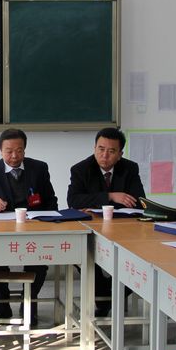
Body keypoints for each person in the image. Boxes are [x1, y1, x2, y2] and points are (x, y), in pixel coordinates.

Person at [0, 129, 57, 325]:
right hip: (1, 231)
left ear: (24, 150)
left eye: (19, 151)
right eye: (9, 151)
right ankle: (1, 302)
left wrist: (45, 220)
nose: (14, 156)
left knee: (39, 261)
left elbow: (51, 200)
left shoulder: (39, 168)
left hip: (33, 228)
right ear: (0, 150)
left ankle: (29, 301)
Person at [66, 127, 146, 317]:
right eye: (101, 149)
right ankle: (107, 297)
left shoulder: (130, 168)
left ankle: (106, 299)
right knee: (84, 257)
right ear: (94, 148)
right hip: (91, 229)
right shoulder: (81, 169)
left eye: (111, 151)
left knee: (137, 264)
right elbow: (74, 201)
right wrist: (110, 196)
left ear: (120, 154)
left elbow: (139, 202)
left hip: (123, 231)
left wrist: (95, 201)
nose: (104, 155)